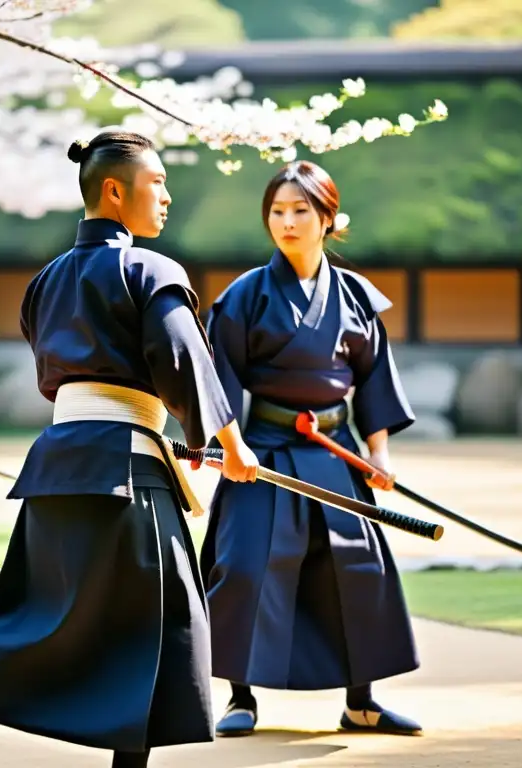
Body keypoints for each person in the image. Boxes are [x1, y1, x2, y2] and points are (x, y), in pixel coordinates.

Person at [0, 129, 260, 768]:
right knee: (158, 613)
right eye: (158, 184)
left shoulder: (45, 280)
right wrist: (230, 444)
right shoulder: (153, 271)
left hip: (59, 459)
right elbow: (183, 361)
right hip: (126, 467)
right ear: (117, 191)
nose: (168, 198)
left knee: (29, 603)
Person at [199, 160, 422, 738]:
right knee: (244, 566)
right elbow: (217, 377)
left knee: (357, 567)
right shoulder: (244, 296)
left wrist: (379, 455)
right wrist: (231, 447)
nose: (287, 222)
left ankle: (362, 702)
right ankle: (240, 696)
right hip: (263, 453)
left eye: (301, 211)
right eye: (277, 211)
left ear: (328, 219)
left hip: (336, 452)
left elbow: (373, 379)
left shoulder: (355, 298)